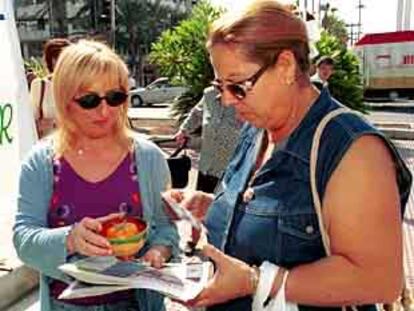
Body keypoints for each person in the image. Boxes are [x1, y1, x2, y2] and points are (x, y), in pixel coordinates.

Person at [166, 1, 412, 310]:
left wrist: (256, 281)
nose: (227, 101)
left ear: (285, 66)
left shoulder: (353, 150)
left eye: (238, 87)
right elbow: (275, 216)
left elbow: (378, 280)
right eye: (220, 86)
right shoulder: (257, 128)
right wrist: (215, 207)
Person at [14, 40, 178, 311]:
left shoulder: (148, 158)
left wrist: (158, 251)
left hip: (135, 304)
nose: (105, 111)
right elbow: (23, 239)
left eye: (115, 97)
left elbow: (165, 227)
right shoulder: (41, 162)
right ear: (65, 100)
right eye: (89, 100)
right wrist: (69, 238)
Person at [174, 86, 242, 193]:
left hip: (231, 172)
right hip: (206, 167)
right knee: (201, 205)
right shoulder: (209, 94)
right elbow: (197, 113)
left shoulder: (244, 97)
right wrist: (183, 131)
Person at [30, 38, 71, 138]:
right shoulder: (40, 85)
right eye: (58, 57)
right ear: (51, 60)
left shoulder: (79, 86)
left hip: (75, 147)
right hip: (47, 147)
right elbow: (29, 123)